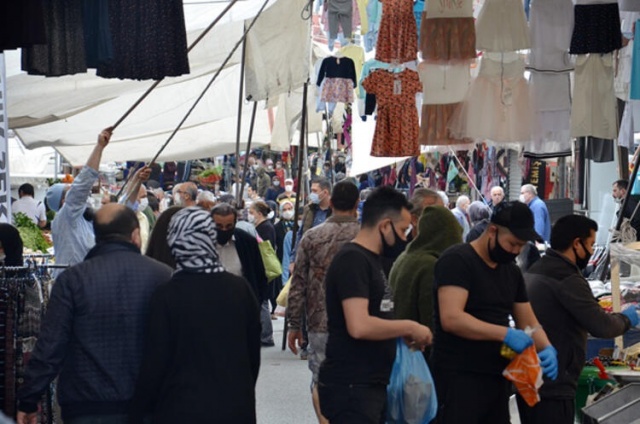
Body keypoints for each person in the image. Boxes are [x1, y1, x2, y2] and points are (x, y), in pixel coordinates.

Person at [16, 204, 172, 424]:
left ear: (97, 236)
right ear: (135, 235)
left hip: (85, 404)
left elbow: (51, 345)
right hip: (147, 404)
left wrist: (29, 399)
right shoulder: (162, 276)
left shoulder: (72, 280)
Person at [129, 208, 261, 424]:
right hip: (235, 405)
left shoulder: (167, 295)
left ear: (175, 241)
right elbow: (253, 353)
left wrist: (138, 410)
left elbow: (156, 361)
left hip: (181, 406)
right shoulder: (240, 289)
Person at [432, 201, 557, 424]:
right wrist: (505, 334)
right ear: (492, 230)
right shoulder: (457, 260)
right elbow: (452, 318)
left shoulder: (511, 272)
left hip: (497, 379)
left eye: (521, 246)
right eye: (512, 243)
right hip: (458, 378)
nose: (516, 251)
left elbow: (528, 322)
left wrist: (547, 347)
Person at [318, 186, 433, 424]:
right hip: (352, 386)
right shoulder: (353, 260)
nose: (405, 238)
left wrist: (397, 334)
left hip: (369, 383)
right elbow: (359, 325)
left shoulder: (371, 259)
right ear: (385, 225)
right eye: (403, 230)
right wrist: (409, 327)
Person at [517, 215, 640, 424]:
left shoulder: (537, 270)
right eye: (590, 244)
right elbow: (602, 326)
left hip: (531, 379)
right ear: (576, 243)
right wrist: (627, 319)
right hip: (553, 384)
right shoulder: (566, 278)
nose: (592, 251)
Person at [287, 181, 361, 424]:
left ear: (331, 202)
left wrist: (294, 323)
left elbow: (298, 283)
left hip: (320, 320)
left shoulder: (312, 236)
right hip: (361, 321)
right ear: (357, 203)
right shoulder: (365, 236)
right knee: (356, 380)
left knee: (321, 379)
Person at [390, 206, 462, 364]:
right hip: (420, 353)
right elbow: (430, 317)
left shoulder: (405, 256)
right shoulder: (431, 265)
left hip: (400, 347)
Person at [211, 204, 271, 345]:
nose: (223, 230)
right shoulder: (200, 243)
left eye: (228, 226)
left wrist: (255, 304)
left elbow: (259, 275)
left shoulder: (246, 242)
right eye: (219, 226)